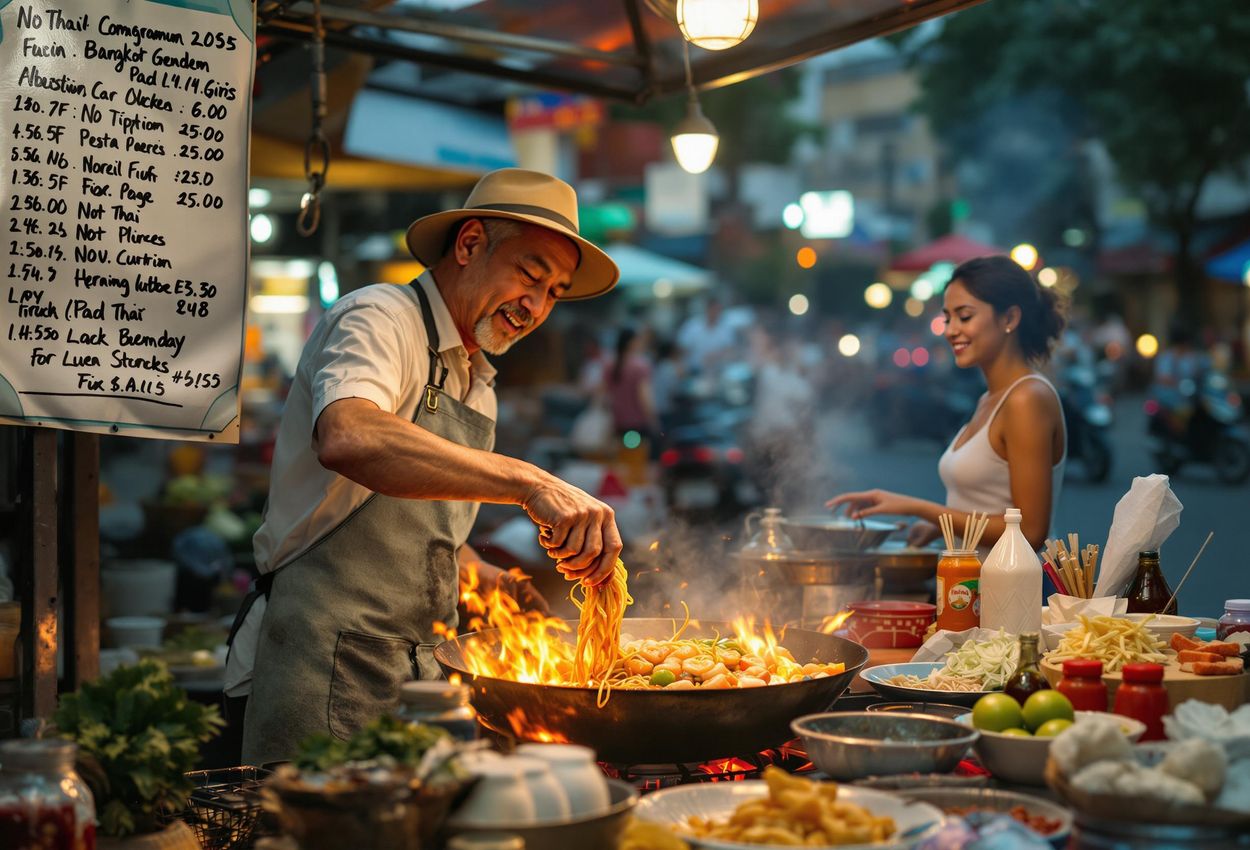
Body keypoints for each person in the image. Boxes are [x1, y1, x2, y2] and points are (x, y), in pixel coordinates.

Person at [225, 169, 624, 765]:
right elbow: (349, 434)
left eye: (554, 294)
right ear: (468, 245)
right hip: (318, 658)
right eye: (530, 275)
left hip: (419, 677)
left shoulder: (478, 382)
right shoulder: (380, 317)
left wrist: (491, 583)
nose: (536, 306)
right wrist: (529, 482)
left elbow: (416, 533)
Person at [829, 255, 1067, 551]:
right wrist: (934, 527)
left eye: (964, 317)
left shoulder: (1027, 398)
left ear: (1009, 319)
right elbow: (985, 504)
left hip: (1015, 593)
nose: (950, 330)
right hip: (970, 589)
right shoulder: (988, 398)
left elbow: (1030, 531)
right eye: (948, 317)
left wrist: (917, 508)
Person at [605, 327, 660, 445]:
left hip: (617, 424)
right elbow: (645, 399)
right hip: (637, 426)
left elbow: (604, 394)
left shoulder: (610, 365)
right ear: (632, 343)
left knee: (621, 459)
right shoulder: (640, 366)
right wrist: (654, 421)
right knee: (637, 459)